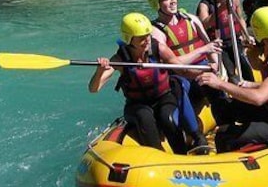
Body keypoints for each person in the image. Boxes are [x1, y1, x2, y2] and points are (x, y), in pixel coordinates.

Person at [88, 12, 220, 154]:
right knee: (145, 117)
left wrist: (204, 72)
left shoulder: (159, 49)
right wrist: (99, 71)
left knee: (167, 118)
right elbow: (94, 88)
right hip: (138, 104)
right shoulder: (120, 59)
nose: (147, 40)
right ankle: (157, 156)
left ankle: (182, 152)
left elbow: (182, 70)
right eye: (141, 38)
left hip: (164, 97)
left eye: (148, 36)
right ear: (129, 39)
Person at [196, 6, 268, 152]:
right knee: (226, 108)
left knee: (223, 136)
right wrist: (252, 57)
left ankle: (232, 149)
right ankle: (235, 133)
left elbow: (259, 98)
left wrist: (220, 84)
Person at [147, 0, 222, 114]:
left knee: (215, 85)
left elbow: (210, 46)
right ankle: (188, 126)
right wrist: (202, 50)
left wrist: (216, 66)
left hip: (205, 66)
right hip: (180, 75)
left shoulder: (191, 19)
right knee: (180, 87)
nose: (173, 1)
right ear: (156, 4)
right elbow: (173, 65)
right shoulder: (156, 31)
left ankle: (224, 117)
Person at [196, 0, 255, 82]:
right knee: (231, 72)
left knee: (246, 69)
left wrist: (245, 35)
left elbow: (240, 18)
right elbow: (204, 24)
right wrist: (221, 7)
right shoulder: (205, 4)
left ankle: (251, 92)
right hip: (218, 44)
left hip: (234, 40)